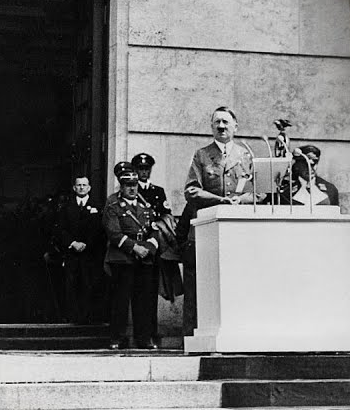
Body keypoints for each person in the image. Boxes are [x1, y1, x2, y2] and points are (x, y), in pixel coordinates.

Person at [178, 106, 255, 336]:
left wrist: (240, 201)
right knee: (200, 286)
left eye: (226, 122)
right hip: (207, 231)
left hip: (236, 231)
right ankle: (192, 336)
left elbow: (258, 193)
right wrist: (220, 200)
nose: (222, 127)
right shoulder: (201, 155)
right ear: (212, 127)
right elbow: (191, 190)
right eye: (217, 123)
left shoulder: (246, 155)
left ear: (235, 127)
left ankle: (237, 333)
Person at [103, 162, 160, 350]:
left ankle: (143, 338)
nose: (132, 189)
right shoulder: (113, 204)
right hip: (123, 258)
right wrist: (134, 248)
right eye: (128, 186)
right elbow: (114, 233)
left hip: (144, 258)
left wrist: (149, 248)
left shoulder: (145, 205)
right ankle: (117, 338)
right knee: (121, 300)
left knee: (143, 301)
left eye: (134, 186)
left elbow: (154, 230)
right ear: (122, 186)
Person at [131, 152, 183, 346]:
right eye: (140, 169)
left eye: (146, 169)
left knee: (152, 292)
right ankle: (140, 335)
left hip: (155, 249)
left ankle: (151, 334)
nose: (144, 173)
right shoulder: (130, 191)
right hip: (138, 248)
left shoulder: (158, 192)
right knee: (138, 294)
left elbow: (166, 217)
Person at [54, 174, 104, 324]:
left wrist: (87, 244)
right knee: (72, 284)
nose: (81, 188)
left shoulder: (98, 206)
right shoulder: (66, 207)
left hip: (90, 253)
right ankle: (73, 317)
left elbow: (100, 230)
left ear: (89, 188)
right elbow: (60, 229)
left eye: (84, 185)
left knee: (89, 284)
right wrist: (72, 243)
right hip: (72, 252)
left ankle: (88, 317)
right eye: (79, 185)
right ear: (74, 188)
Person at [257, 144, 339, 206]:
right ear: (297, 166)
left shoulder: (330, 189)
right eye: (305, 164)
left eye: (315, 163)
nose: (311, 167)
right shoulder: (284, 191)